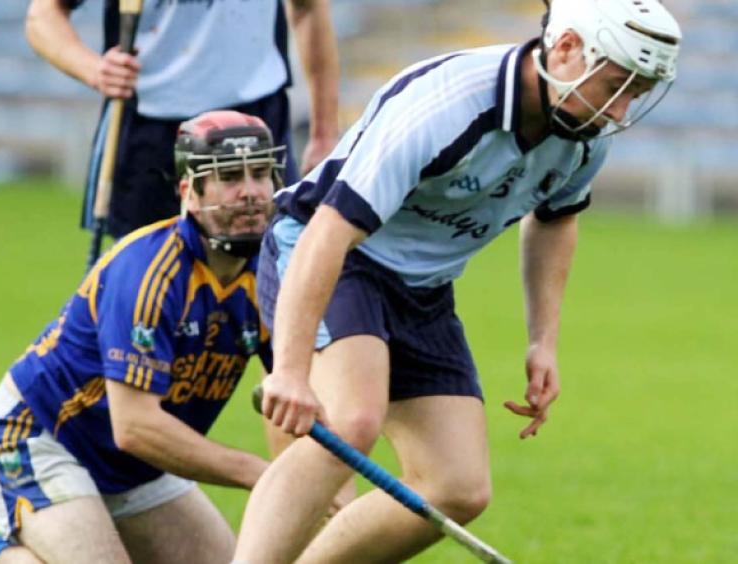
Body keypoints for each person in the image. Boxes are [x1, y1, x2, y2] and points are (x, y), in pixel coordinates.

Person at [233, 0, 682, 562]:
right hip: (339, 254)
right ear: (566, 49)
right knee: (349, 421)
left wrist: (543, 340)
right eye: (616, 86)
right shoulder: (450, 105)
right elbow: (328, 229)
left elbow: (556, 219)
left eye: (634, 95)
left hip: (424, 289)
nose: (619, 112)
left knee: (457, 486)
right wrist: (292, 372)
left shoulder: (586, 133)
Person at [0, 111, 284, 564]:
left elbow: (296, 396)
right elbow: (136, 427)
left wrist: (311, 486)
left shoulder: (273, 274)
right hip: (40, 436)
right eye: (230, 177)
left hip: (136, 468)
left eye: (260, 174)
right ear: (190, 193)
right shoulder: (149, 270)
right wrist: (261, 474)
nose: (251, 193)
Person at [25, 0, 339, 238]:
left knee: (270, 279)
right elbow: (43, 16)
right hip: (150, 127)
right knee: (148, 281)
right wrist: (94, 70)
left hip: (255, 123)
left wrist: (324, 132)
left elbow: (308, 9)